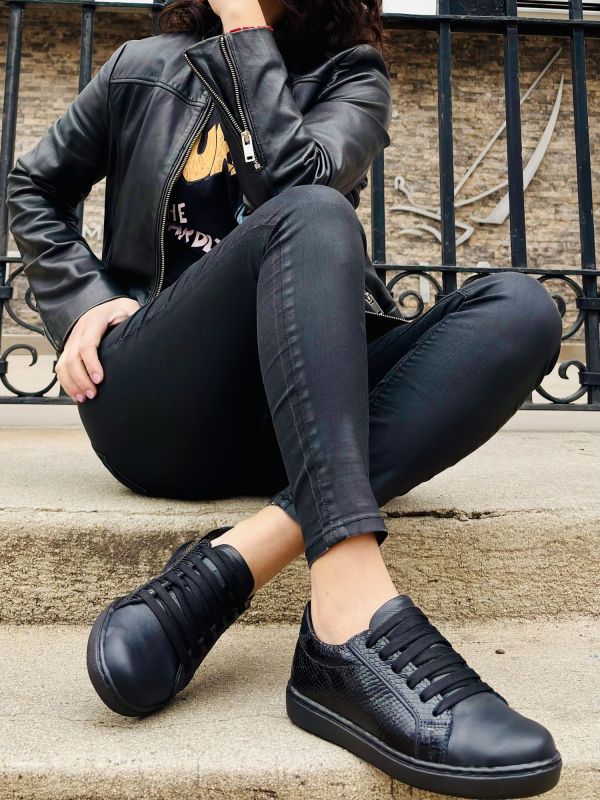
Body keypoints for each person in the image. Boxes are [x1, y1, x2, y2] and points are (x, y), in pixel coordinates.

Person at [6, 1, 564, 797]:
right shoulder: (143, 66)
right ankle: (348, 615)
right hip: (157, 403)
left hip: (303, 411)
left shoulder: (352, 81)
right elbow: (34, 183)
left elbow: (295, 176)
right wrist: (83, 304)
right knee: (312, 214)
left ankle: (230, 566)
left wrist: (246, 33)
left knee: (521, 310)